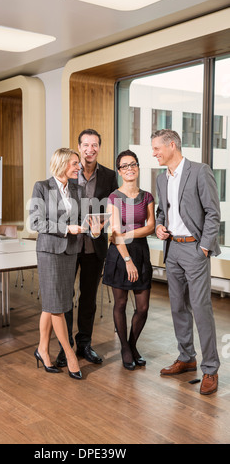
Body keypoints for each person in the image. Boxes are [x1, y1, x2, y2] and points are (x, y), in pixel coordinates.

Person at [152, 129, 221, 395]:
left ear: (172, 145)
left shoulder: (199, 171)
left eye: (157, 148)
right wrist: (159, 226)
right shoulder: (161, 178)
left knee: (201, 309)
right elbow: (162, 210)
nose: (154, 153)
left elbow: (213, 213)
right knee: (178, 307)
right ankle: (187, 357)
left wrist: (203, 247)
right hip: (172, 250)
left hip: (194, 249)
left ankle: (211, 369)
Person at [56, 129, 118, 367]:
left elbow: (112, 210)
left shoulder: (109, 176)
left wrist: (102, 224)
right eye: (86, 145)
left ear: (99, 148)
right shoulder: (68, 172)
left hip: (95, 246)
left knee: (89, 298)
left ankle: (84, 344)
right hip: (69, 245)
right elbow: (57, 208)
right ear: (79, 147)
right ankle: (66, 347)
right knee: (65, 298)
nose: (90, 149)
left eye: (95, 145)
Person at [30, 148, 84, 380]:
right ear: (62, 163)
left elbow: (80, 220)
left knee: (53, 304)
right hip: (49, 252)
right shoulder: (42, 187)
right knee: (58, 307)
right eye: (74, 163)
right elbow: (35, 221)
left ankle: (42, 349)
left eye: (78, 164)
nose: (78, 167)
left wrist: (92, 226)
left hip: (70, 251)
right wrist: (65, 229)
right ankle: (70, 355)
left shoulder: (78, 190)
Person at [103, 150, 155, 370]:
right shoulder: (114, 197)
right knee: (121, 303)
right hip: (120, 254)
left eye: (132, 164)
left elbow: (151, 226)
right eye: (124, 166)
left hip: (141, 252)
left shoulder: (147, 197)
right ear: (119, 171)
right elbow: (114, 233)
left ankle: (132, 345)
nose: (129, 168)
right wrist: (127, 260)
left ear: (138, 167)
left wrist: (130, 234)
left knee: (143, 307)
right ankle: (125, 348)